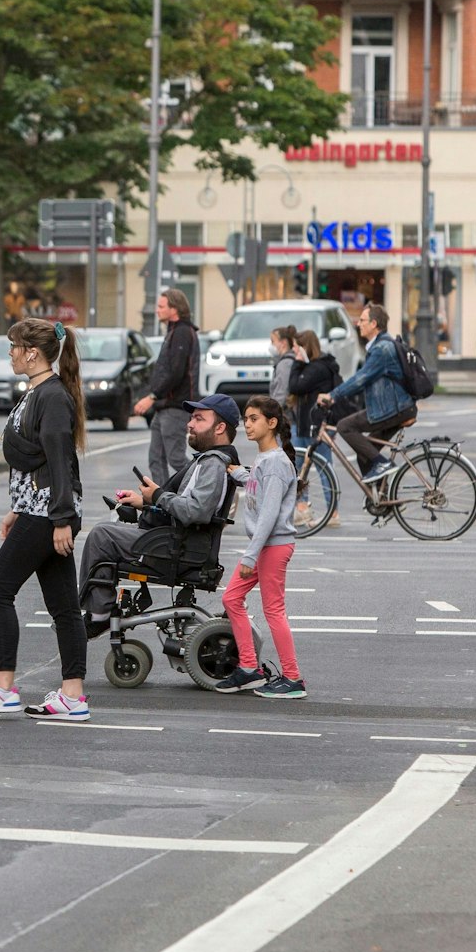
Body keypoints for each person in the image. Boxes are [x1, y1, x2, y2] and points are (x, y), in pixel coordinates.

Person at [0, 318, 90, 722]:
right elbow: (36, 461)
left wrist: (62, 519)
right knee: (64, 606)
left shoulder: (52, 397)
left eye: (13, 346)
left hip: (47, 513)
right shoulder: (39, 392)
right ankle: (72, 697)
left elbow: (60, 459)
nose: (10, 353)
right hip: (37, 509)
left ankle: (2, 687)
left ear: (32, 353)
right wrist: (17, 507)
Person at [79, 393, 239, 630]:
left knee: (101, 536)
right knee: (105, 532)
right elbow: (186, 504)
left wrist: (157, 495)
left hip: (179, 547)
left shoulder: (213, 463)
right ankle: (100, 609)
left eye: (199, 419)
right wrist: (144, 503)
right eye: (191, 418)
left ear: (220, 427)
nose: (190, 424)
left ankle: (99, 616)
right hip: (176, 540)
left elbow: (196, 511)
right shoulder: (208, 460)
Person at [214, 395, 304, 698]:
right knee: (231, 598)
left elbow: (268, 515)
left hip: (271, 546)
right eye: (246, 419)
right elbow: (258, 483)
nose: (247, 425)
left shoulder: (276, 462)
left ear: (272, 423)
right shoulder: (266, 460)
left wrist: (250, 555)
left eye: (254, 419)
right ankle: (249, 667)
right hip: (263, 546)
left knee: (274, 611)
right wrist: (238, 473)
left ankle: (293, 678)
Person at [316, 305, 413, 482]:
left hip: (393, 409)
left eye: (362, 320)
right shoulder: (381, 345)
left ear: (374, 323)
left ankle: (382, 463)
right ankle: (382, 497)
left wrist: (333, 395)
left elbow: (361, 378)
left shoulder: (381, 349)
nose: (358, 324)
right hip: (396, 407)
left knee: (344, 426)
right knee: (365, 454)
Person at [133, 288, 200, 485]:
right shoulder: (174, 331)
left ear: (174, 309)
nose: (157, 310)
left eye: (161, 306)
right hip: (165, 405)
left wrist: (152, 396)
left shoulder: (182, 333)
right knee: (156, 458)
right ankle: (162, 497)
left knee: (176, 458)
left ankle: (205, 488)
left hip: (175, 405)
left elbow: (176, 372)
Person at [287, 329, 339, 447]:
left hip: (315, 425)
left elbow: (295, 387)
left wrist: (297, 363)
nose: (293, 350)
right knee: (301, 457)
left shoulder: (316, 368)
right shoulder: (313, 365)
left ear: (304, 348)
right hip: (309, 424)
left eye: (295, 346)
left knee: (319, 457)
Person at [267, 326, 301, 403]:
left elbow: (282, 392)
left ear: (283, 343)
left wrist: (274, 408)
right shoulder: (289, 360)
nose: (271, 345)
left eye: (273, 341)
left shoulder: (285, 364)